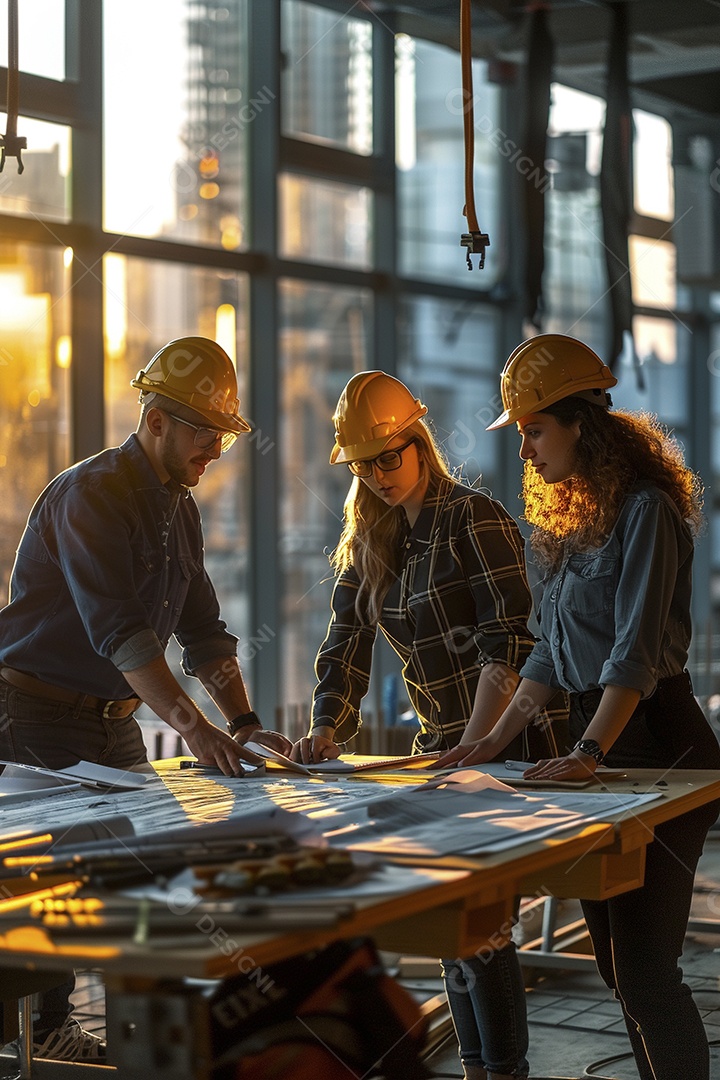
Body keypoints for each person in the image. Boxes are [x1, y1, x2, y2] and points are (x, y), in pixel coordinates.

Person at [437, 333, 720, 1080]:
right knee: (615, 967)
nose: (524, 449)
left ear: (581, 424)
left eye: (534, 429)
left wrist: (590, 751)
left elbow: (633, 654)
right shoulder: (573, 520)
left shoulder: (646, 511)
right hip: (599, 742)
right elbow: (548, 657)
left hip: (661, 745)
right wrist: (491, 742)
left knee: (646, 970)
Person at [0, 336, 291, 1061]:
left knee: (148, 877)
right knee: (48, 884)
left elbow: (204, 632)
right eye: (205, 432)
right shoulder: (91, 495)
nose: (216, 449)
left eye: (224, 435)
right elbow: (122, 634)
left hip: (113, 722)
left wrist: (244, 723)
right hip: (33, 717)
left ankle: (144, 1041)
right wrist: (196, 730)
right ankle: (42, 1036)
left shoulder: (178, 510)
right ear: (155, 421)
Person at [292, 370, 565, 1080]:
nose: (378, 475)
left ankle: (501, 1072)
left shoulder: (473, 517)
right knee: (454, 926)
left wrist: (478, 746)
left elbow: (511, 642)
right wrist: (326, 729)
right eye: (363, 465)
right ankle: (478, 1069)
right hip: (442, 749)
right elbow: (344, 645)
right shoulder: (370, 539)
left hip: (507, 744)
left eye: (390, 457)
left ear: (419, 443)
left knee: (484, 929)